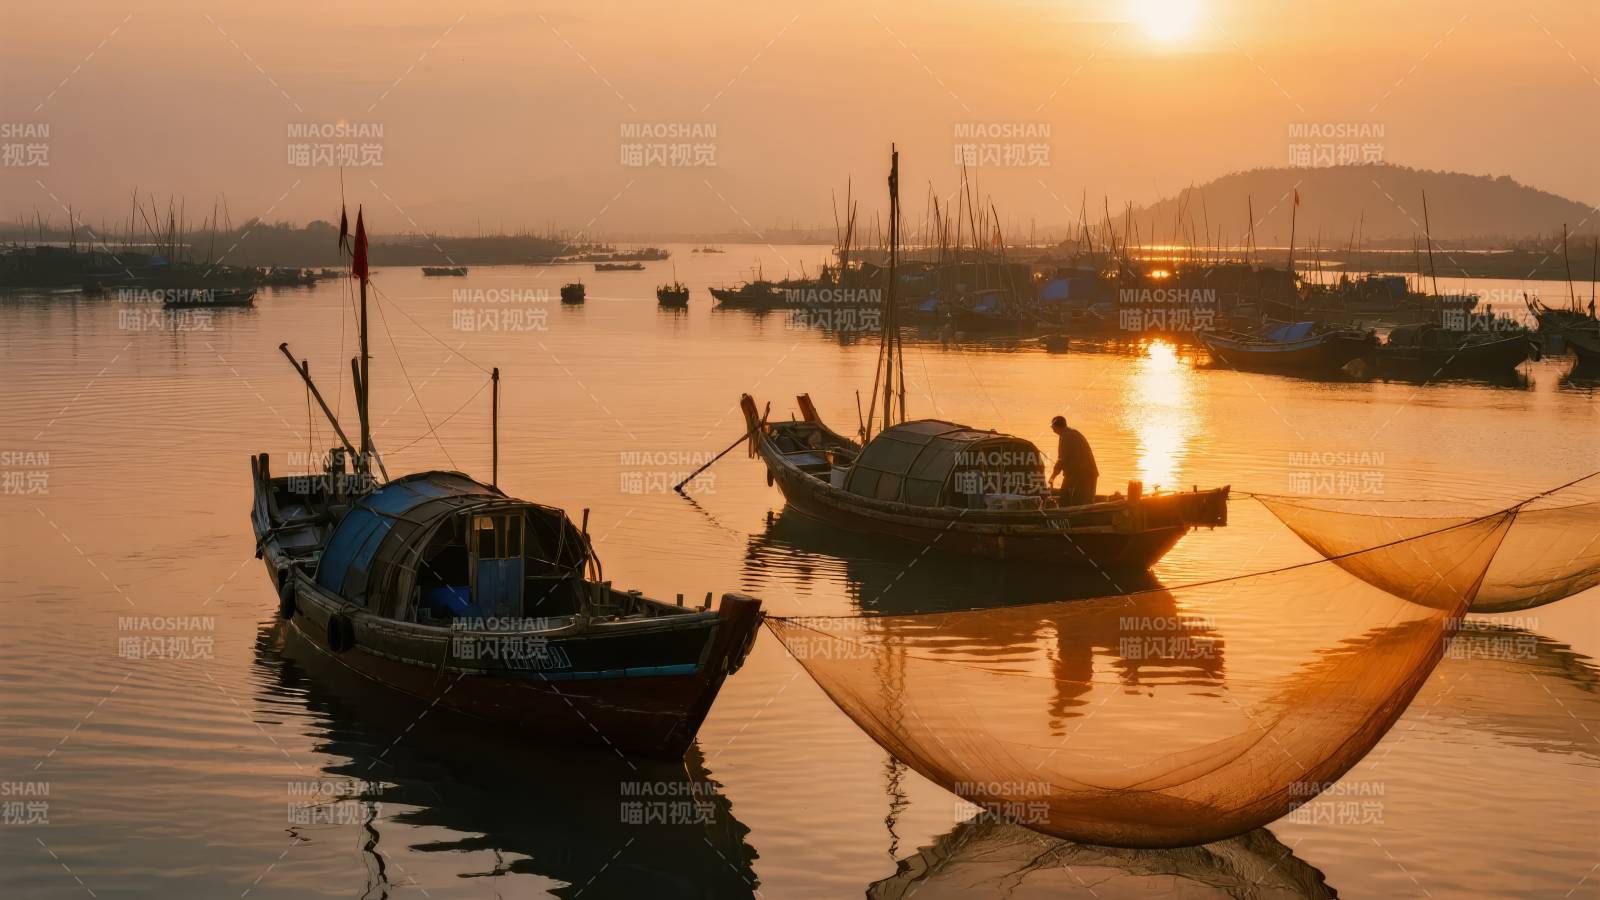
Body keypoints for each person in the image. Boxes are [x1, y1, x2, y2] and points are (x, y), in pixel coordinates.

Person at [1049, 415, 1098, 507]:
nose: (1052, 429)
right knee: (1082, 501)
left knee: (1068, 499)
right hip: (1084, 473)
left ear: (1056, 427)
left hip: (1082, 474)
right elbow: (1063, 459)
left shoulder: (1066, 437)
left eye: (1053, 427)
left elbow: (1062, 460)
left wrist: (1052, 477)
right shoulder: (1071, 433)